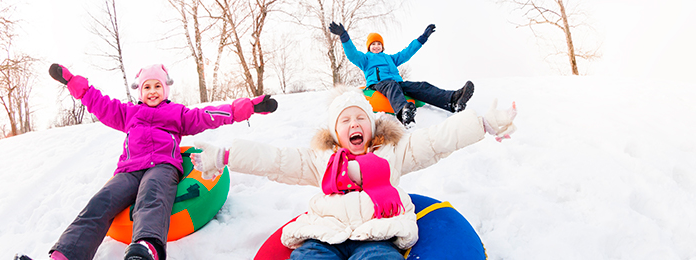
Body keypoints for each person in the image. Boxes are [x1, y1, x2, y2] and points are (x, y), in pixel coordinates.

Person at [193, 88, 516, 260]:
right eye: (345, 121)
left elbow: (434, 141)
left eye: (360, 119)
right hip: (322, 238)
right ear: (336, 132)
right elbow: (276, 159)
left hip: (376, 237)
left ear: (372, 126)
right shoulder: (322, 160)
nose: (354, 125)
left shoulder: (392, 153)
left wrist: (483, 123)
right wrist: (224, 155)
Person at [16, 64, 277, 260]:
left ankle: (146, 247)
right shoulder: (129, 113)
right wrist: (74, 82)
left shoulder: (178, 113)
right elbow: (99, 103)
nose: (152, 91)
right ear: (140, 92)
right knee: (100, 202)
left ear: (165, 90)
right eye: (147, 87)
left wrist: (244, 108)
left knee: (152, 196)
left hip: (163, 166)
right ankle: (64, 255)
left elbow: (207, 116)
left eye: (157, 86)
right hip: (128, 170)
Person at [328, 22, 475, 127]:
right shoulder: (365, 59)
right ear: (369, 47)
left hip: (397, 82)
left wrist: (422, 39)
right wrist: (344, 36)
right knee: (391, 86)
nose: (376, 46)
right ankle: (403, 112)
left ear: (382, 46)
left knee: (421, 86)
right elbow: (352, 54)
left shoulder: (390, 58)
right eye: (373, 44)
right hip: (379, 85)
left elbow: (406, 53)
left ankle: (453, 100)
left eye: (379, 43)